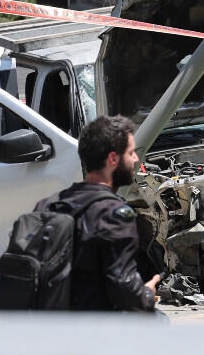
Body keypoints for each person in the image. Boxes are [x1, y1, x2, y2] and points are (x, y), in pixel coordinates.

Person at [36, 115, 160, 311]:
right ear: (113, 159)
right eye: (131, 153)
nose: (136, 159)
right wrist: (147, 293)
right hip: (93, 332)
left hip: (49, 327)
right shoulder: (115, 215)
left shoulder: (46, 206)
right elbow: (125, 290)